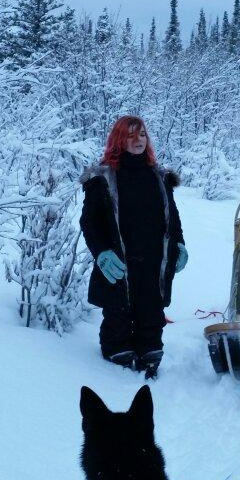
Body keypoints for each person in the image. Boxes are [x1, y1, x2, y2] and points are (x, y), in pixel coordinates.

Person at [79, 116, 187, 379]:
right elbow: (89, 222)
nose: (138, 140)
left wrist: (180, 244)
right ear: (119, 139)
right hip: (118, 258)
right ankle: (117, 348)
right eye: (130, 135)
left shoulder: (159, 177)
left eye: (142, 135)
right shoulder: (102, 178)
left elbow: (172, 217)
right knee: (118, 307)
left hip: (154, 258)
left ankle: (150, 349)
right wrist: (102, 253)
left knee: (152, 305)